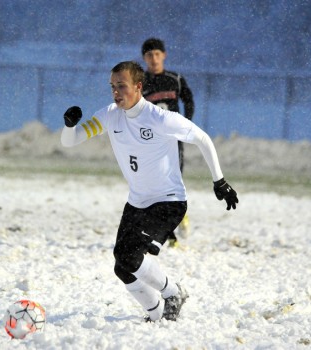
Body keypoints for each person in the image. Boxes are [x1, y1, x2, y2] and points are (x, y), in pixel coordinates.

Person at [61, 61, 238, 322]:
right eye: (112, 86)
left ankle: (174, 293)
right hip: (137, 202)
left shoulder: (159, 118)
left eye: (122, 86)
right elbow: (70, 141)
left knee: (129, 256)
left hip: (168, 202)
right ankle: (156, 314)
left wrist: (219, 181)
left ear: (139, 87)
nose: (116, 92)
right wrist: (68, 125)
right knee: (122, 267)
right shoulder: (111, 115)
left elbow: (202, 138)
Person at [141, 38, 195, 247]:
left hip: (172, 141)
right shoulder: (141, 83)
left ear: (163, 55)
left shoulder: (175, 79)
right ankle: (168, 233)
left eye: (156, 54)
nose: (153, 59)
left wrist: (185, 123)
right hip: (151, 142)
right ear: (144, 58)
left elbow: (188, 100)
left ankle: (178, 218)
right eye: (149, 55)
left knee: (172, 183)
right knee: (155, 185)